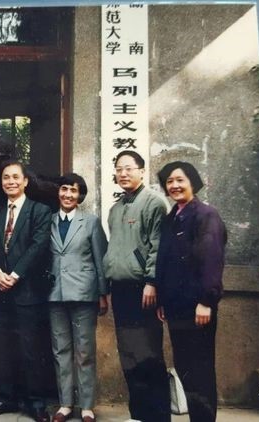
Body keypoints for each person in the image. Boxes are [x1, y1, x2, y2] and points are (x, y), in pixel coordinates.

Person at [155, 161, 226, 422]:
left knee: (200, 371)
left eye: (180, 180)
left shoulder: (206, 216)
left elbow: (211, 260)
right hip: (176, 308)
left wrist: (207, 301)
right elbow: (164, 261)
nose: (174, 185)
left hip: (198, 308)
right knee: (185, 368)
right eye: (169, 181)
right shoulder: (171, 218)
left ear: (192, 183)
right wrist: (162, 300)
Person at [102, 150, 170, 422]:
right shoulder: (116, 208)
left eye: (129, 168)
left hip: (144, 289)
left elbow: (158, 246)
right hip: (121, 289)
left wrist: (152, 282)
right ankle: (138, 414)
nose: (123, 173)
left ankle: (158, 417)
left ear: (142, 171)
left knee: (148, 354)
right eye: (119, 169)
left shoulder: (154, 203)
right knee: (128, 353)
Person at [0, 161, 53, 422]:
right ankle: (6, 398)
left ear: (25, 182)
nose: (10, 181)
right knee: (3, 349)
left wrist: (14, 275)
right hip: (0, 291)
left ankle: (36, 403)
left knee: (30, 349)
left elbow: (38, 245)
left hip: (27, 291)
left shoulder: (40, 210)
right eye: (6, 177)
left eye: (15, 177)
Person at [47, 173, 108, 422]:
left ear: (80, 195)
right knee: (60, 350)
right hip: (55, 294)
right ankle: (65, 404)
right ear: (58, 192)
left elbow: (100, 259)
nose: (68, 195)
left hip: (84, 294)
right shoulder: (49, 220)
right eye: (64, 189)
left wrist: (103, 293)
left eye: (73, 191)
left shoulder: (90, 222)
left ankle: (86, 406)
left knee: (84, 352)